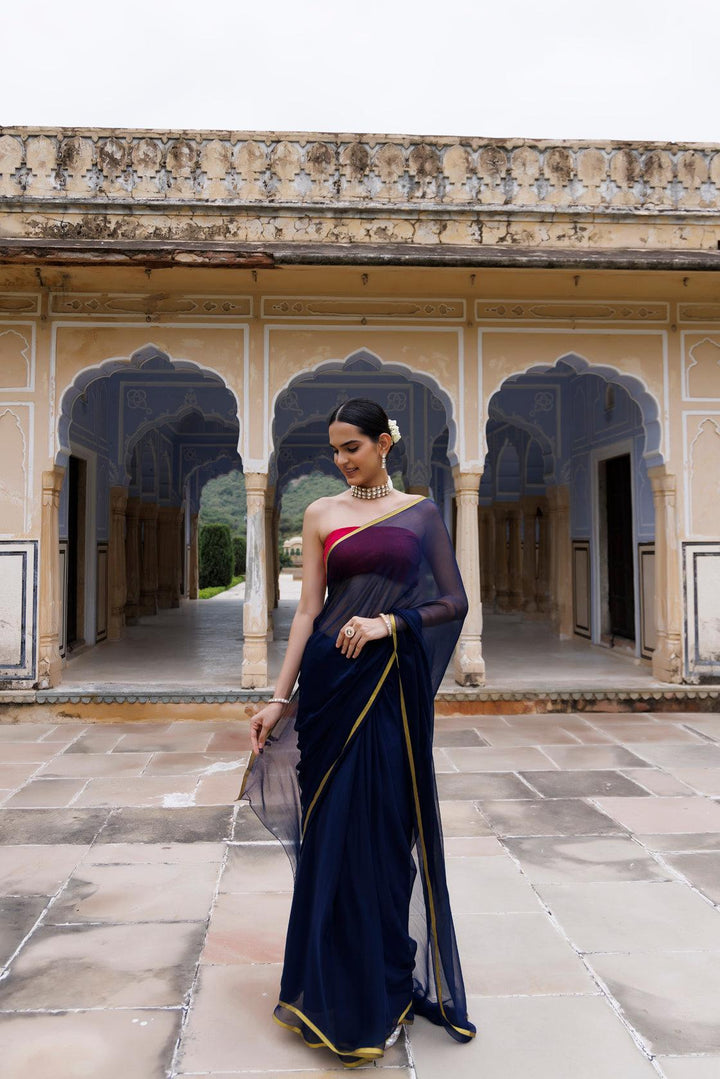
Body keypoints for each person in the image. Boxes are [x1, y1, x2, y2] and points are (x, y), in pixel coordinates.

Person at [239, 397, 476, 1068]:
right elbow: (311, 610)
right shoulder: (321, 514)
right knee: (332, 837)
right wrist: (279, 699)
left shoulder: (421, 512)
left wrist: (388, 624)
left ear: (384, 444)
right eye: (336, 450)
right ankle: (325, 987)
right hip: (328, 693)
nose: (342, 461)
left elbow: (454, 600)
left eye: (353, 447)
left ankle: (381, 980)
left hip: (387, 692)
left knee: (378, 834)